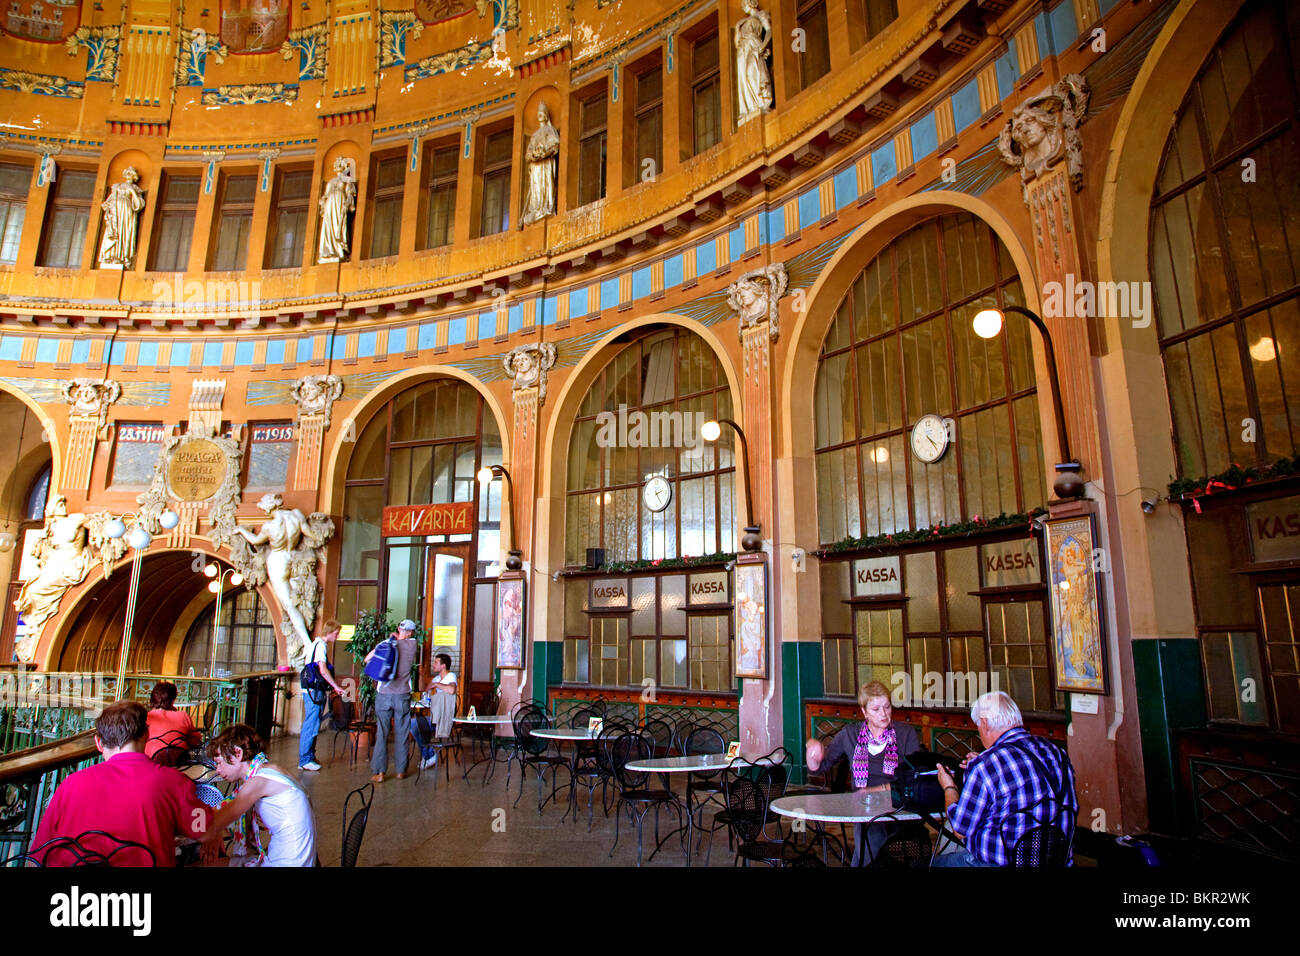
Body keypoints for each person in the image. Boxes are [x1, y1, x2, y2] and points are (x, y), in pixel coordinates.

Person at [30, 700, 212, 866]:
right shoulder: (174, 782)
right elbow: (204, 828)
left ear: (98, 743)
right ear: (146, 735)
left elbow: (37, 856)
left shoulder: (70, 784)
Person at [933, 690, 1078, 867]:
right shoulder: (1057, 753)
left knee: (934, 863)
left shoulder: (985, 765)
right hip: (1055, 862)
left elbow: (960, 829)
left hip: (1001, 864)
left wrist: (950, 788)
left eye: (978, 727)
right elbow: (1025, 774)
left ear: (985, 723)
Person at [805, 680, 921, 865]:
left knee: (873, 835)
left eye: (887, 707)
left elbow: (914, 778)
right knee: (871, 828)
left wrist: (876, 791)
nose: (883, 714)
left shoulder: (906, 733)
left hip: (900, 804)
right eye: (876, 709)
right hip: (865, 810)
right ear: (864, 711)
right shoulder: (850, 734)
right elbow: (819, 767)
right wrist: (813, 753)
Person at [202, 724, 317, 867]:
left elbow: (217, 820)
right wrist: (215, 829)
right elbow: (223, 812)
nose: (218, 770)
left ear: (238, 753)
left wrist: (212, 829)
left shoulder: (258, 782)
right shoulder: (271, 771)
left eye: (219, 763)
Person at [367, 618, 418, 782]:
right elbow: (405, 639)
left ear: (399, 628)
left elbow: (368, 659)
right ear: (411, 632)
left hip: (384, 693)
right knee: (402, 732)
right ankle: (400, 771)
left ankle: (380, 772)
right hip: (402, 694)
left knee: (382, 732)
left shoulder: (386, 643)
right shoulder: (413, 645)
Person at [299, 619, 345, 771]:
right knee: (311, 723)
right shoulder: (320, 647)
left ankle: (309, 757)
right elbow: (323, 669)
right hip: (314, 690)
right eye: (336, 633)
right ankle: (305, 759)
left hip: (311, 690)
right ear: (329, 632)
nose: (337, 637)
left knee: (312, 722)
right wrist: (335, 686)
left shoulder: (315, 644)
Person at [413, 652, 457, 769]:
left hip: (444, 717)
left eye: (436, 662)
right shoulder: (437, 678)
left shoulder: (451, 676)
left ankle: (429, 755)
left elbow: (452, 690)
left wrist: (437, 685)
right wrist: (422, 675)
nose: (433, 665)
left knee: (417, 724)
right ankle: (429, 754)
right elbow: (423, 689)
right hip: (435, 716)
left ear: (443, 666)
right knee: (414, 724)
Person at [733, 0, 773, 125]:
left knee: (752, 72)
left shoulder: (761, 15)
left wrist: (763, 46)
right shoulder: (740, 23)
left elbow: (770, 31)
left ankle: (761, 102)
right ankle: (749, 108)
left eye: (745, 2)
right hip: (742, 49)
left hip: (754, 46)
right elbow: (736, 43)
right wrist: (737, 29)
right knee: (743, 77)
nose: (743, 5)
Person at [521, 103, 560, 226]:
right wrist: (533, 155)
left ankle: (545, 207)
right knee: (536, 185)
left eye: (542, 112)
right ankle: (536, 208)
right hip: (536, 165)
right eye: (539, 113)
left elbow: (555, 145)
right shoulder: (534, 135)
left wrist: (544, 152)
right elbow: (528, 153)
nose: (540, 114)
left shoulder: (550, 130)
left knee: (545, 183)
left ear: (546, 115)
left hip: (545, 162)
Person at [145, 680, 201, 763]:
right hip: (180, 763)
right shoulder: (183, 716)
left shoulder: (146, 717)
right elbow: (196, 741)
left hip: (151, 761)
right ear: (173, 701)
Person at [317, 156, 357, 263]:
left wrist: (347, 204)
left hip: (340, 202)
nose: (338, 166)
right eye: (337, 165)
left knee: (338, 223)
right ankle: (329, 250)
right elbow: (326, 195)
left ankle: (338, 249)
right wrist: (322, 202)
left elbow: (350, 194)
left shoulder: (347, 180)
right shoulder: (331, 181)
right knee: (329, 225)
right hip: (330, 204)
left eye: (341, 164)